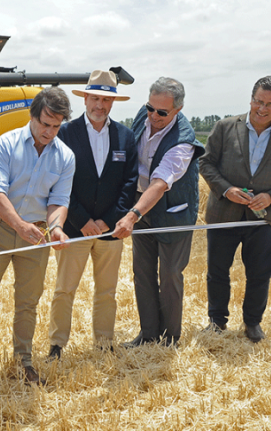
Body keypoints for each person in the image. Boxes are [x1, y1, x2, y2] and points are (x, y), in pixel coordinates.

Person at [0, 86, 74, 385]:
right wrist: (19, 226)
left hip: (36, 236)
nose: (49, 132)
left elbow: (59, 201)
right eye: (45, 124)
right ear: (32, 116)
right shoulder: (5, 144)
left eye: (56, 126)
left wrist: (57, 228)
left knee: (28, 302)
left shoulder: (65, 156)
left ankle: (23, 362)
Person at [47, 70, 138, 359]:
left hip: (111, 231)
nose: (100, 105)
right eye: (95, 98)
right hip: (74, 229)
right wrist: (81, 220)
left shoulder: (125, 136)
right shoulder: (65, 133)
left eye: (106, 100)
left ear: (113, 103)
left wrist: (108, 220)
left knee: (107, 291)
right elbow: (57, 182)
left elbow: (129, 183)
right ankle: (57, 345)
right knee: (64, 290)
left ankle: (104, 342)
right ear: (85, 99)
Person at [114, 77, 204, 347]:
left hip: (172, 212)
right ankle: (148, 334)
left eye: (162, 112)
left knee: (170, 275)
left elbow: (160, 183)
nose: (153, 116)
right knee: (142, 272)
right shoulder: (146, 115)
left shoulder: (183, 143)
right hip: (141, 204)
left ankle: (170, 338)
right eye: (150, 108)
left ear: (178, 109)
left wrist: (132, 216)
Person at [199, 76, 271, 343]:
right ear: (251, 99)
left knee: (260, 273)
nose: (262, 108)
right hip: (224, 215)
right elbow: (206, 164)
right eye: (259, 101)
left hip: (263, 219)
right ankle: (217, 322)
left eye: (270, 104)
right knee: (217, 271)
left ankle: (253, 323)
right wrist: (226, 189)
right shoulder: (224, 127)